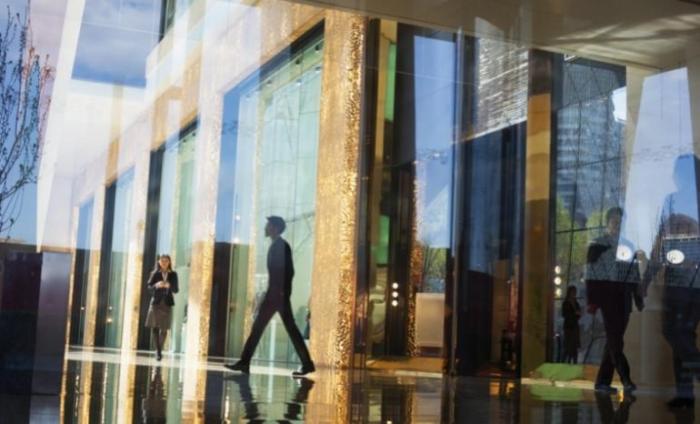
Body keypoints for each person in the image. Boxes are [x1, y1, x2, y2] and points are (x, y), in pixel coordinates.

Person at [225, 216, 316, 376]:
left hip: (277, 296)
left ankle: (245, 362)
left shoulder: (280, 246)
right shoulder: (277, 245)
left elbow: (286, 273)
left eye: (268, 225)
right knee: (276, 328)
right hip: (277, 295)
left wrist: (278, 293)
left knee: (262, 328)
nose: (265, 228)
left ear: (274, 228)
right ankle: (306, 364)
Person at [644, 154, 700, 410]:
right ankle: (685, 395)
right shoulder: (676, 200)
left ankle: (690, 384)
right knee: (683, 334)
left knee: (674, 331)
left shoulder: (674, 200)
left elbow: (661, 240)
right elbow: (661, 240)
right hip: (687, 278)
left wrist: (646, 277)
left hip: (683, 279)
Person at [586, 207, 644, 395]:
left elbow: (633, 274)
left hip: (624, 300)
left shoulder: (628, 245)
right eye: (614, 222)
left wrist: (637, 298)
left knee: (613, 341)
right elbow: (591, 274)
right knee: (615, 341)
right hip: (607, 299)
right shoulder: (598, 245)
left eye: (620, 222)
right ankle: (626, 379)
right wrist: (592, 301)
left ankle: (602, 382)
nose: (617, 226)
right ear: (607, 222)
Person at [145, 254, 179, 361]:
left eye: (166, 261)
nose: (164, 262)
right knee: (155, 327)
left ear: (169, 262)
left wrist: (169, 285)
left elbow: (176, 289)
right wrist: (156, 285)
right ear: (159, 262)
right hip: (155, 303)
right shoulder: (154, 273)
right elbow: (149, 288)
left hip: (167, 303)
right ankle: (158, 352)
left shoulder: (173, 274)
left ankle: (159, 350)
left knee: (164, 328)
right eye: (162, 260)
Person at [562, 286, 581, 364]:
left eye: (575, 292)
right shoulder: (566, 303)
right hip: (569, 327)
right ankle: (565, 363)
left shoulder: (576, 303)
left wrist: (577, 314)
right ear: (569, 293)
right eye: (573, 292)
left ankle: (574, 363)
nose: (574, 294)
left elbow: (579, 313)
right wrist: (574, 314)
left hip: (575, 326)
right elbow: (565, 314)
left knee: (574, 347)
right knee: (568, 346)